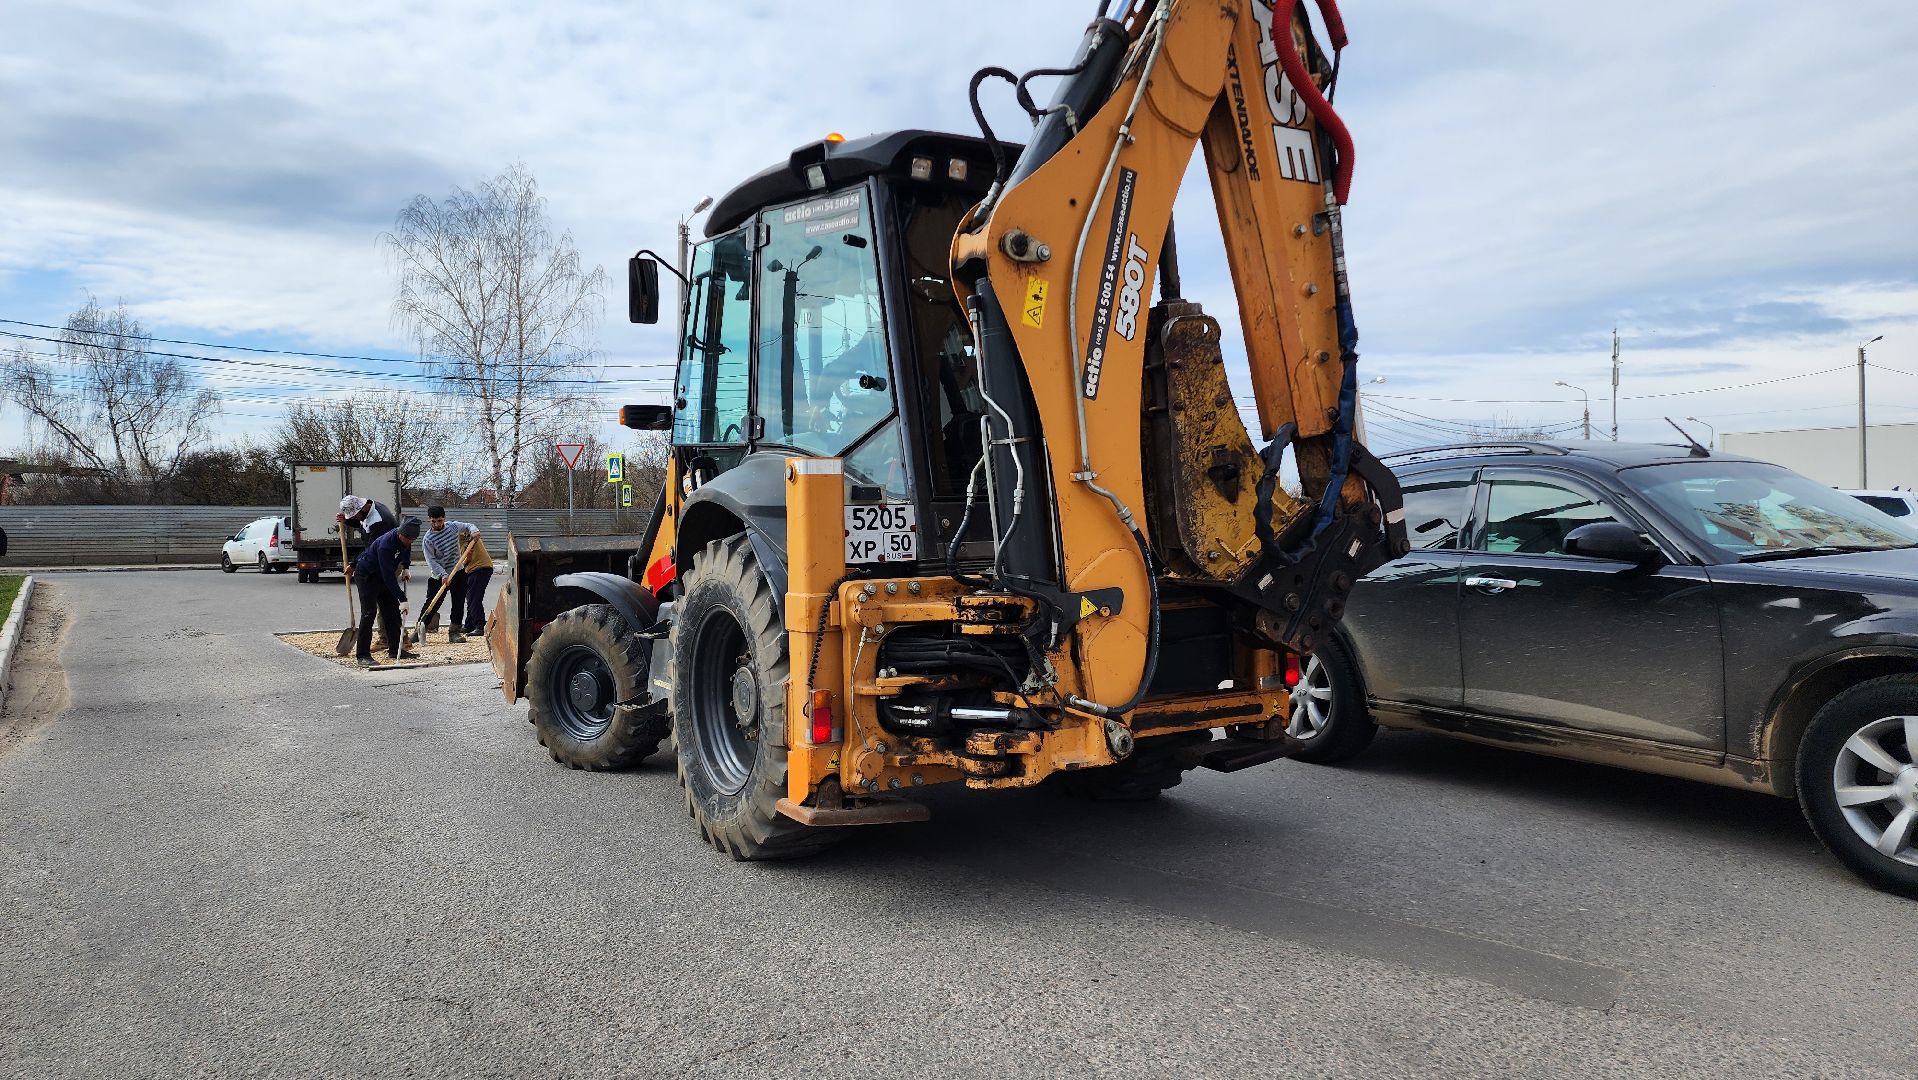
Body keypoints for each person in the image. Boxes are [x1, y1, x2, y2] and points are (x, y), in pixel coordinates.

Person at [353, 516, 419, 666]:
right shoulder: (386, 545)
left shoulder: (405, 539)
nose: (409, 542)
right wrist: (402, 598)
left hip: (382, 577)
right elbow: (388, 576)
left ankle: (395, 650)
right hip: (367, 576)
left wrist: (406, 566)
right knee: (368, 613)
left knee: (392, 614)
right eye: (408, 538)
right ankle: (362, 655)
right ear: (400, 534)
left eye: (413, 540)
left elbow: (406, 549)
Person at [422, 507, 494, 642]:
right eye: (433, 521)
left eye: (439, 520)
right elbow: (431, 561)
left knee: (458, 603)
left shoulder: (453, 528)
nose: (437, 524)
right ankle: (420, 629)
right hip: (439, 575)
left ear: (444, 518)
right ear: (429, 520)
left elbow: (468, 526)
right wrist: (443, 574)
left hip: (458, 572)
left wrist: (474, 530)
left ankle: (454, 632)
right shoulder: (428, 539)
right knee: (433, 602)